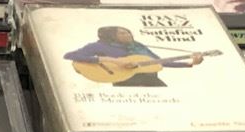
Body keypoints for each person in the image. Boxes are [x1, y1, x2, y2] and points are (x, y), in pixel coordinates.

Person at [62, 26, 203, 87]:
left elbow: (158, 62)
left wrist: (190, 63)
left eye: (128, 32)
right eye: (122, 33)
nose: (128, 35)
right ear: (111, 35)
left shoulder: (138, 46)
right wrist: (110, 60)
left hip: (151, 80)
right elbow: (70, 55)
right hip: (124, 82)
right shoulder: (99, 46)